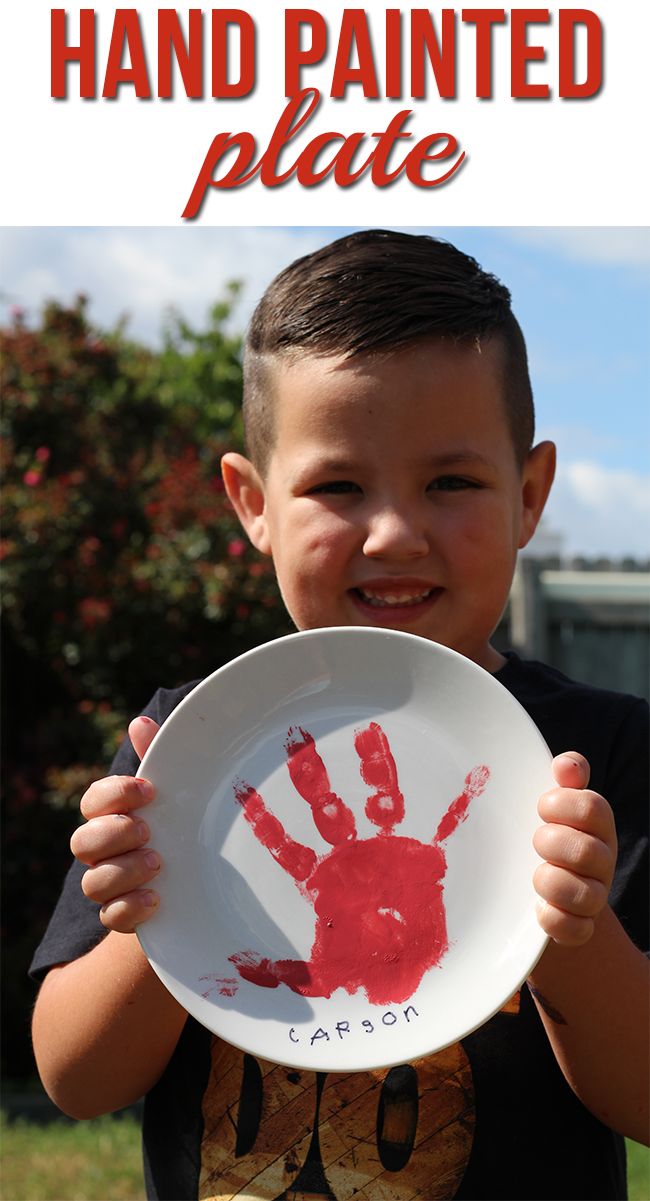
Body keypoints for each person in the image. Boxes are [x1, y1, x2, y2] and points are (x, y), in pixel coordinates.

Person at [30, 230, 648, 1201]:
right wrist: (153, 909)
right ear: (252, 504)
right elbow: (74, 1075)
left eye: (450, 482)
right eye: (336, 487)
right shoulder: (187, 746)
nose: (395, 531)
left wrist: (572, 938)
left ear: (528, 495)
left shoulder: (597, 760)